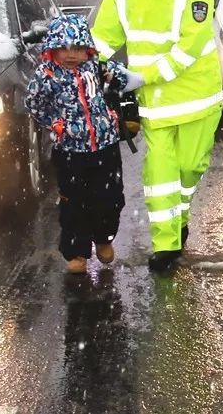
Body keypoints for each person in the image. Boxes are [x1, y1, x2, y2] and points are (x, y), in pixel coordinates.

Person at [91, 0, 223, 273]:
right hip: (155, 104)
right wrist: (87, 65)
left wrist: (141, 76)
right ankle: (166, 244)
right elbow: (102, 39)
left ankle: (178, 219)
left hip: (197, 97)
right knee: (160, 172)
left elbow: (189, 47)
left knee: (189, 168)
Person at [25, 14, 142, 274]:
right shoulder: (46, 76)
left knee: (109, 198)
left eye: (77, 48)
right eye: (64, 48)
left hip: (105, 146)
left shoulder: (95, 68)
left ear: (87, 49)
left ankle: (103, 238)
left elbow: (128, 80)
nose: (71, 55)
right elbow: (32, 104)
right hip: (69, 151)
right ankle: (77, 252)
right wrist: (55, 123)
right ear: (52, 48)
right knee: (73, 202)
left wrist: (126, 91)